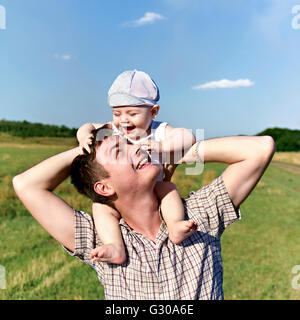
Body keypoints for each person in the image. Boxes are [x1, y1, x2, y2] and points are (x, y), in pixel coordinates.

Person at [12, 125, 275, 299]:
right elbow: (26, 185)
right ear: (104, 187)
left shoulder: (198, 214)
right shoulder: (100, 240)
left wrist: (178, 153)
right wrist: (83, 150)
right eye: (120, 150)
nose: (137, 148)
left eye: (130, 144)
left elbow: (260, 148)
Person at [76, 70, 197, 264]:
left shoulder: (159, 130)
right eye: (117, 113)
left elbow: (188, 136)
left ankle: (174, 225)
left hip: (155, 188)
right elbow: (88, 125)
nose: (123, 120)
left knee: (168, 189)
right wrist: (84, 137)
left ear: (153, 111)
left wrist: (163, 146)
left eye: (132, 113)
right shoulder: (114, 129)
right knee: (100, 206)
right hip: (126, 195)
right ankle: (115, 246)